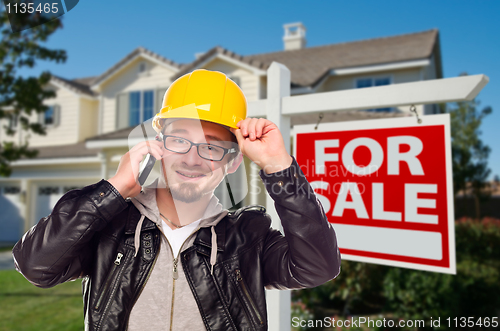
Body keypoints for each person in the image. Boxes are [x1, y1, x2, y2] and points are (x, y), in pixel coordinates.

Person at [13, 69, 341, 331]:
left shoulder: (247, 238)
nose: (193, 159)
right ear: (159, 145)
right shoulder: (110, 226)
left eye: (211, 147)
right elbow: (36, 265)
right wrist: (113, 189)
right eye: (180, 140)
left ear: (233, 161)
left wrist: (279, 168)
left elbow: (317, 267)